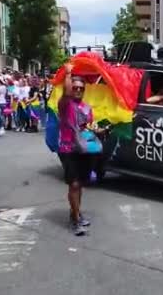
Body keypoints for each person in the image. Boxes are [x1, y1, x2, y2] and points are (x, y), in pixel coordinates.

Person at [57, 64, 102, 236]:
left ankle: (75, 213)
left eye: (80, 88)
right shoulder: (65, 104)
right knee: (74, 184)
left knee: (80, 184)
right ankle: (75, 220)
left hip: (84, 149)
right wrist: (69, 72)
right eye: (74, 87)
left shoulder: (87, 108)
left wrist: (97, 130)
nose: (76, 90)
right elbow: (66, 92)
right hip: (67, 148)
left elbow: (88, 127)